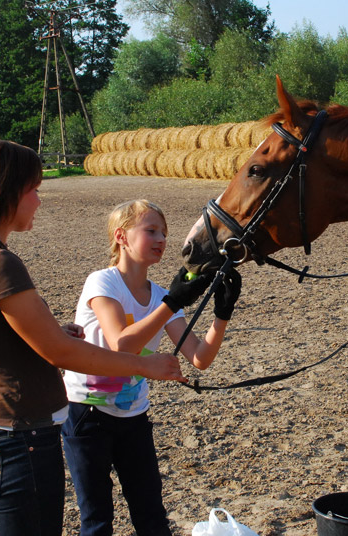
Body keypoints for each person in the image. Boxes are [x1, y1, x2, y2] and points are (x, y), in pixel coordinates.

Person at [0, 135, 211, 536]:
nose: (38, 199)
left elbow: (25, 340)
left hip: (14, 431)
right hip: (18, 434)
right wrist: (144, 366)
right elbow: (62, 353)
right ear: (8, 191)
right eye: (33, 189)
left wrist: (53, 332)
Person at [61, 199, 241, 536]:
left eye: (164, 233)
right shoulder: (102, 283)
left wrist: (222, 314)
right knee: (97, 517)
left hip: (133, 417)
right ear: (121, 237)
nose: (161, 239)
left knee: (151, 515)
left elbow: (199, 357)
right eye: (150, 230)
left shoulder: (161, 294)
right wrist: (171, 301)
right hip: (87, 414)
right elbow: (121, 344)